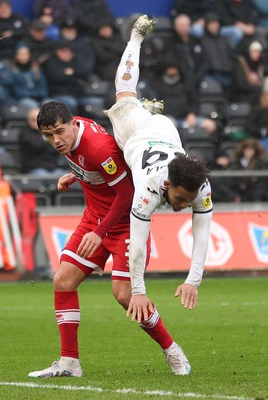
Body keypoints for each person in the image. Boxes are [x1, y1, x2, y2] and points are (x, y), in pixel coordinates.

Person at [28, 15, 213, 380]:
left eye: (58, 133)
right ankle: (69, 362)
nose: (55, 140)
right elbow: (106, 169)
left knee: (126, 295)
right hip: (110, 195)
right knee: (63, 280)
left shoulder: (106, 152)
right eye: (49, 136)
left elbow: (125, 189)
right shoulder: (72, 132)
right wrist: (77, 173)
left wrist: (193, 279)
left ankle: (172, 350)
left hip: (120, 215)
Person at [104, 14, 213, 332]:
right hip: (134, 135)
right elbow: (138, 243)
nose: (182, 206)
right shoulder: (149, 190)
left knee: (139, 105)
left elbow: (202, 233)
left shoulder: (200, 186)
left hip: (167, 131)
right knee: (124, 93)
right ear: (167, 184)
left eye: (187, 200)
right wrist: (138, 291)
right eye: (180, 200)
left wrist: (194, 281)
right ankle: (135, 38)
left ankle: (146, 107)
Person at [19, 107, 69, 176]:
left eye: (38, 119)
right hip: (35, 168)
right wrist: (47, 140)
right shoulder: (25, 133)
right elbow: (36, 145)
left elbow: (55, 148)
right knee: (43, 175)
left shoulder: (48, 131)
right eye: (33, 120)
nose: (36, 122)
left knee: (67, 176)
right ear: (28, 120)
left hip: (54, 168)